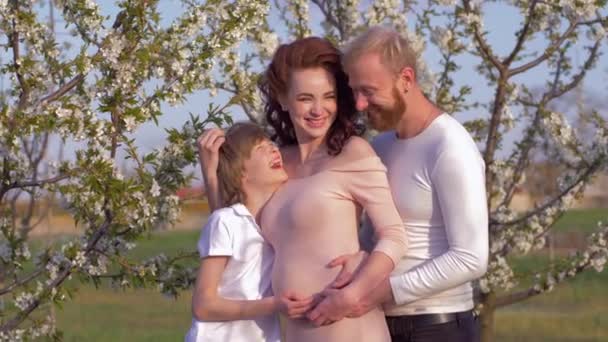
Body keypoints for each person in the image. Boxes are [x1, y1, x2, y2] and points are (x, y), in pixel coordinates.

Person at [200, 37, 408, 342]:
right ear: (283, 99)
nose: (318, 109)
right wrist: (210, 172)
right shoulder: (275, 164)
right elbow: (231, 235)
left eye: (329, 96)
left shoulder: (353, 153)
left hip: (351, 330)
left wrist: (353, 293)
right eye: (305, 98)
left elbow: (395, 236)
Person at [309, 26, 489, 341]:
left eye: (369, 91)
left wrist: (379, 292)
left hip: (437, 326)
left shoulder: (449, 146)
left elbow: (471, 258)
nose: (360, 104)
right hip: (380, 324)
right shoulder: (380, 147)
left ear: (405, 79)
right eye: (354, 92)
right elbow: (376, 236)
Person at [186, 123, 315, 342]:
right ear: (241, 174)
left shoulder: (274, 227)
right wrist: (274, 304)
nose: (274, 150)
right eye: (260, 148)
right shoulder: (226, 221)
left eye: (272, 144)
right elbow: (203, 306)